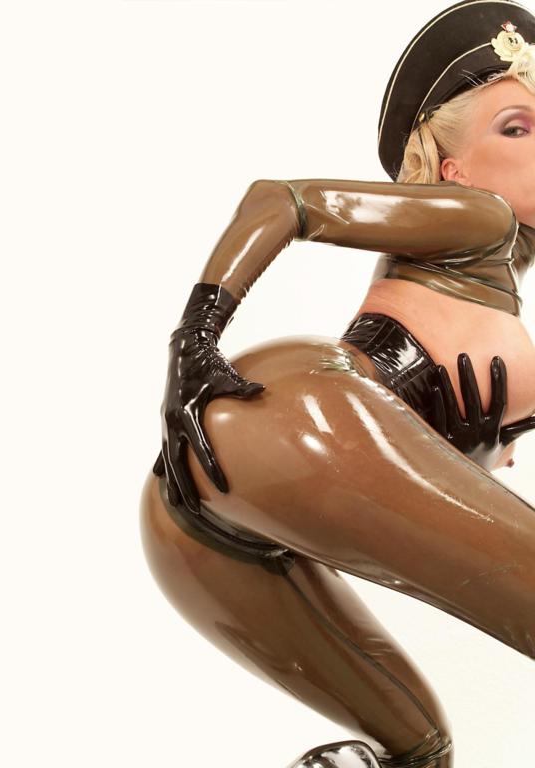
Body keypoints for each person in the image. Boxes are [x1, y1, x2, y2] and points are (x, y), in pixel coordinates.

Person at [139, 2, 535, 766]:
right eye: (516, 128)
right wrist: (193, 342)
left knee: (418, 750)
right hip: (299, 416)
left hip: (188, 520)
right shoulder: (479, 218)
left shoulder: (472, 277)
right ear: (451, 170)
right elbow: (283, 200)